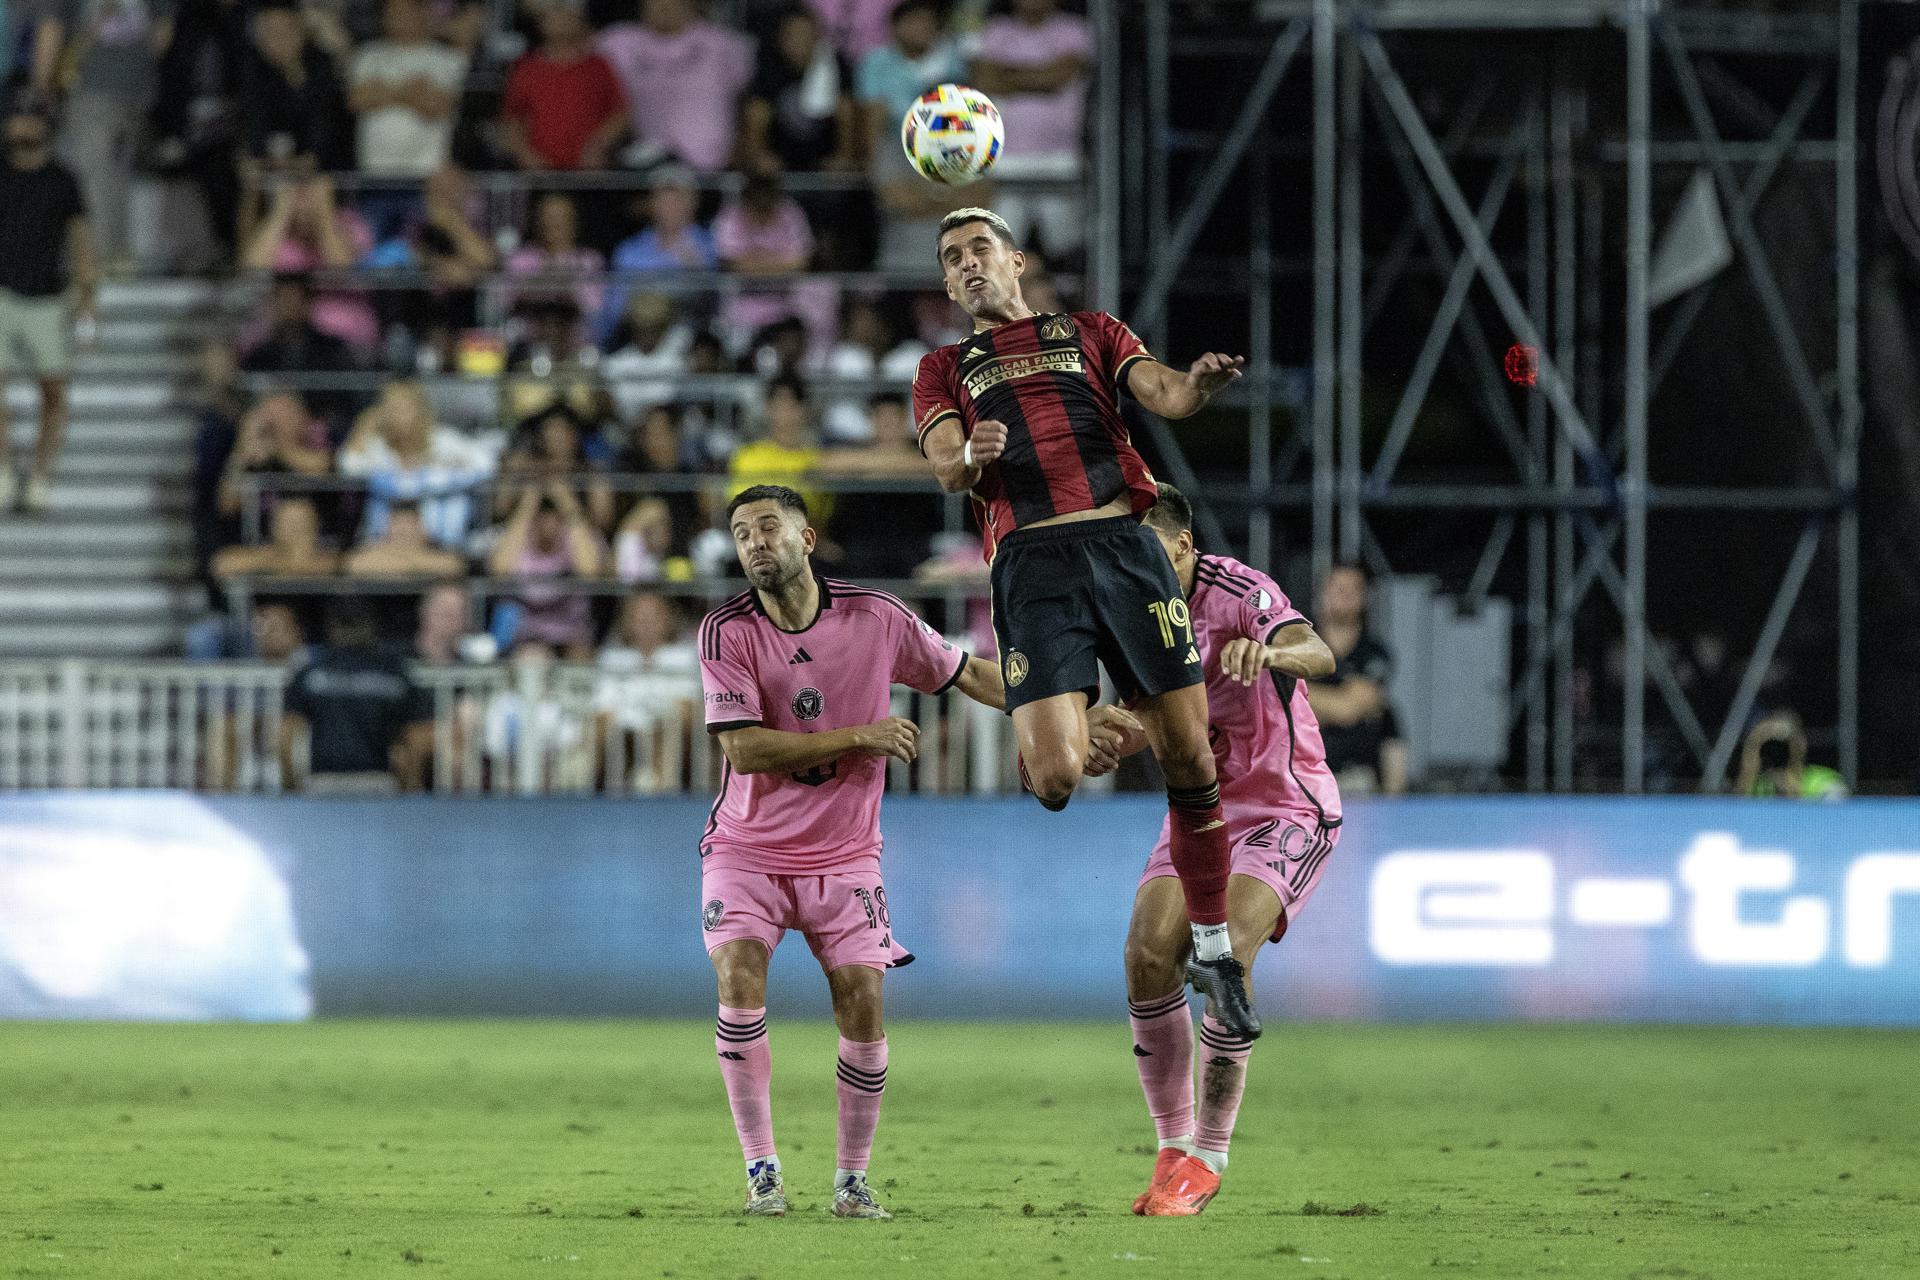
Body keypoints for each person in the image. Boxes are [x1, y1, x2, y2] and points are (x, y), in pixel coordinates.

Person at [912, 206, 1260, 1036]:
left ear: (1017, 259)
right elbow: (945, 469)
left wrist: (1200, 387)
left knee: (1188, 755)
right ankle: (1073, 728)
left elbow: (1168, 394)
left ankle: (1212, 950)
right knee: (1061, 780)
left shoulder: (1093, 331)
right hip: (1032, 567)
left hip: (1126, 546)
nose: (966, 265)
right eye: (951, 258)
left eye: (979, 249)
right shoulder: (944, 366)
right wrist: (971, 459)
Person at [697, 483, 1003, 1218]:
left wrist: (1066, 717)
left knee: (863, 1003)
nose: (755, 543)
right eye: (742, 534)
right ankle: (762, 1171)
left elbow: (965, 673)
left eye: (769, 527)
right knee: (739, 976)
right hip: (747, 849)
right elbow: (742, 750)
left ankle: (851, 1181)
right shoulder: (726, 631)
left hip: (845, 856)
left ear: (807, 539)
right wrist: (860, 735)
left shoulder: (877, 617)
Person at [1078, 484, 1340, 1216]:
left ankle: (1211, 1153)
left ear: (1186, 548)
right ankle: (1172, 1145)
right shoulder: (1128, 608)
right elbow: (1144, 715)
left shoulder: (1237, 590)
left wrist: (1272, 647)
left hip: (1285, 805)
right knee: (1144, 954)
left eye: (1155, 557)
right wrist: (1106, 737)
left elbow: (1317, 649)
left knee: (1221, 952)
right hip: (1199, 809)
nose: (1142, 572)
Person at [0, 87, 96, 514]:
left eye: (27, 116)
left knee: (54, 392)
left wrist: (87, 295)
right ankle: (2, 471)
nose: (18, 125)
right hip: (2, 292)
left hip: (48, 299)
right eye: (14, 116)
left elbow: (80, 240)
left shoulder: (63, 179)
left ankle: (40, 475)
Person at [47, 0, 174, 274]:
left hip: (123, 94)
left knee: (107, 178)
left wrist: (42, 86)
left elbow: (165, 28)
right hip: (104, 92)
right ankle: (102, 266)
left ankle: (106, 265)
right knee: (100, 177)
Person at [969, 0, 1090, 261]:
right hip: (1005, 158)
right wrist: (1041, 73)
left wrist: (1008, 74)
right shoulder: (996, 30)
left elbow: (1058, 77)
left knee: (1066, 249)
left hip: (1060, 157)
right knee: (997, 251)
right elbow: (983, 79)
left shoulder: (1073, 30)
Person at [280, 598, 434, 793]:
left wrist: (291, 784)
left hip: (323, 782)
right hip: (376, 781)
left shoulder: (312, 670)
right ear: (371, 624)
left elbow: (284, 737)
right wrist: (407, 784)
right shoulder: (393, 671)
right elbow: (417, 739)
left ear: (332, 625)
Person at [337, 380, 498, 549]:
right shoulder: (379, 448)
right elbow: (348, 466)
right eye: (389, 409)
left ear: (419, 409)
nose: (394, 416)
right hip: (386, 547)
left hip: (441, 547)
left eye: (402, 408)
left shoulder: (444, 441)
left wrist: (434, 468)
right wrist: (364, 426)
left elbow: (486, 464)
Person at [595, 0, 751, 172]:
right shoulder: (616, 42)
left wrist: (742, 150)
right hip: (642, 165)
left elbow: (746, 101)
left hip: (709, 167)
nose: (664, 6)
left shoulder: (722, 43)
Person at [1303, 562, 1407, 796]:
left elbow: (1348, 709)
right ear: (1321, 594)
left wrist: (1307, 697)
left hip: (1358, 779)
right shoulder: (1299, 645)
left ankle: (1395, 802)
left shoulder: (1375, 652)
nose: (1345, 596)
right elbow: (1283, 702)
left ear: (1365, 598)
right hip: (1305, 776)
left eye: (1353, 589)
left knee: (1389, 714)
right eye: (1337, 588)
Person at [500, 0, 627, 171]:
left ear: (580, 20)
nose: (561, 18)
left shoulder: (598, 67)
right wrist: (525, 155)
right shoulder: (526, 68)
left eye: (567, 12)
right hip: (540, 175)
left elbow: (621, 113)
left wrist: (599, 145)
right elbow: (512, 119)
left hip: (588, 175)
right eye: (555, 11)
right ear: (541, 21)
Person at [347, 0, 468, 177]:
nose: (399, 17)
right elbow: (357, 99)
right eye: (393, 12)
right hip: (375, 171)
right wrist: (410, 92)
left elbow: (440, 106)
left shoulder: (447, 58)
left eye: (405, 11)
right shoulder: (367, 55)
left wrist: (383, 91)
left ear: (422, 13)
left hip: (428, 174)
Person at [487, 481, 607, 659]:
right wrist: (526, 507)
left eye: (554, 514)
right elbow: (499, 570)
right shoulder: (520, 537)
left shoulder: (577, 537)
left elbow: (590, 571)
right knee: (531, 659)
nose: (548, 521)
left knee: (580, 660)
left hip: (573, 636)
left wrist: (568, 505)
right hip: (530, 636)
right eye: (542, 514)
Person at [740, 5, 859, 176]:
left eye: (804, 34)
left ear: (817, 36)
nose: (798, 41)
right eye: (792, 35)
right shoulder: (769, 66)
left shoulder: (835, 65)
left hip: (824, 161)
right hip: (779, 161)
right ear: (781, 38)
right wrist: (760, 154)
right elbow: (757, 115)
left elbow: (846, 114)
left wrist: (843, 156)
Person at [210, 496, 339, 579]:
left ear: (316, 524)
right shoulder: (265, 553)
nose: (294, 530)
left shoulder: (330, 554)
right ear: (274, 526)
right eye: (287, 523)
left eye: (300, 523)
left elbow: (357, 564)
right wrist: (284, 560)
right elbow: (222, 564)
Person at [1737, 711, 1849, 801]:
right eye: (1769, 745)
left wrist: (1793, 787)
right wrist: (1748, 770)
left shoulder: (1823, 782)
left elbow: (1836, 820)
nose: (1777, 751)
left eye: (1785, 745)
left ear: (1802, 744)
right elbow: (1736, 819)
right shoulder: (1757, 787)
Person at [343, 498, 466, 578]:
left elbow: (454, 566)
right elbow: (354, 565)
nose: (403, 531)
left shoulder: (436, 549)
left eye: (410, 524)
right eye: (397, 524)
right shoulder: (373, 549)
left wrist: (406, 560)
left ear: (422, 528)